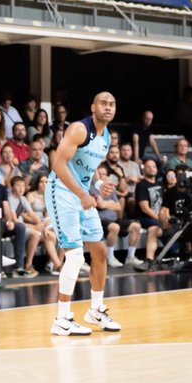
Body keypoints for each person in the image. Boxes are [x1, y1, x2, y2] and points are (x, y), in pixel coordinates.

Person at [46, 92, 124, 336]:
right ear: (93, 107)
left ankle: (95, 309)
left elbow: (87, 170)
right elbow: (58, 164)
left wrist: (99, 186)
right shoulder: (79, 129)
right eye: (103, 103)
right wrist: (82, 194)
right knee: (76, 256)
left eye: (112, 104)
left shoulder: (106, 138)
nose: (108, 108)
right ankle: (62, 318)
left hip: (81, 194)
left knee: (99, 252)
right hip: (61, 191)